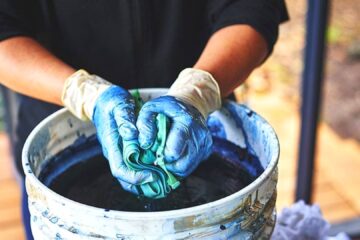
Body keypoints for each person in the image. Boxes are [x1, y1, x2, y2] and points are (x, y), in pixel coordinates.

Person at [0, 0, 288, 239]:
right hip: (57, 115)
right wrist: (84, 93)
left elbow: (252, 7)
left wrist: (198, 91)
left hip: (200, 112)